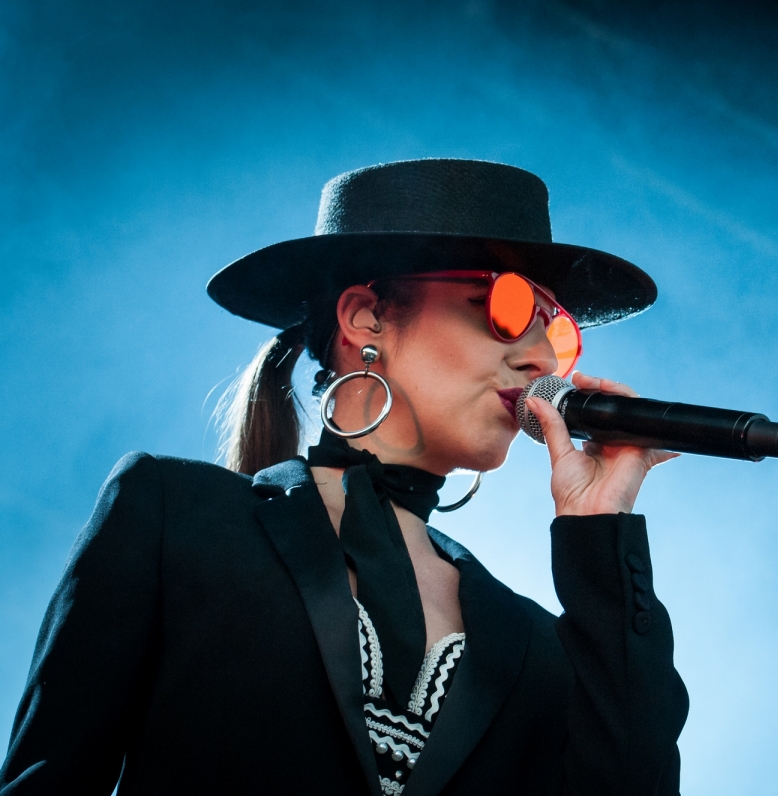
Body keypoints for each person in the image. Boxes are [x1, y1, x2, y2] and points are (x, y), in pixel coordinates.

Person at [0, 159, 689, 795]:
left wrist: (602, 534)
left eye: (557, 331)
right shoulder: (174, 515)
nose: (542, 358)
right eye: (508, 308)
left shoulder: (537, 645)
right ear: (366, 316)